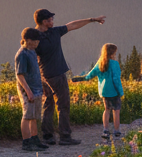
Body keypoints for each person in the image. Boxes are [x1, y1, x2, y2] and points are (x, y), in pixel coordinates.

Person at [34, 8, 105, 145]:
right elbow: (72, 25)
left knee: (48, 104)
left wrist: (92, 19)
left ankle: (48, 136)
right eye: (50, 20)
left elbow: (72, 25)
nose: (53, 22)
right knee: (63, 105)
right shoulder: (54, 32)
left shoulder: (34, 36)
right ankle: (65, 136)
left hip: (43, 76)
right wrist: (92, 20)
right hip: (57, 75)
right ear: (44, 21)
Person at [14, 27, 48, 152]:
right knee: (27, 115)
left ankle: (35, 138)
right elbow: (19, 75)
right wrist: (28, 91)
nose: (37, 43)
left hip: (36, 88)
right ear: (28, 40)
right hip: (28, 89)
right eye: (35, 41)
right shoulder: (22, 54)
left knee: (35, 115)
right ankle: (26, 141)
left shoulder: (32, 51)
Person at [80, 43, 124, 139]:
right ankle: (116, 131)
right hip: (114, 91)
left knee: (107, 110)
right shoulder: (114, 64)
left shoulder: (100, 63)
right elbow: (116, 79)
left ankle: (105, 130)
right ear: (112, 53)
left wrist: (82, 78)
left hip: (104, 92)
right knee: (116, 111)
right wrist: (121, 92)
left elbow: (90, 75)